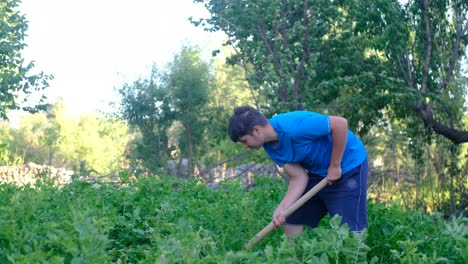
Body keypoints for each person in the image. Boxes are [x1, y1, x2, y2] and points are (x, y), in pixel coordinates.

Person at [227, 105, 368, 237]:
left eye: (244, 141)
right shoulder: (269, 146)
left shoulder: (294, 126)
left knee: (350, 231)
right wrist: (282, 208)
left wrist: (335, 165)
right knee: (291, 218)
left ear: (257, 130)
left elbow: (340, 124)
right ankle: (294, 259)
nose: (245, 146)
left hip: (348, 165)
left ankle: (356, 258)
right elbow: (298, 177)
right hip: (319, 172)